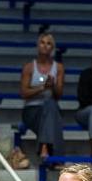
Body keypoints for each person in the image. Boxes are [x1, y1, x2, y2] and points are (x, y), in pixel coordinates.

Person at [20, 27, 66, 164]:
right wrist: (42, 88)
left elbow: (59, 95)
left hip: (50, 108)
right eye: (42, 42)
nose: (45, 46)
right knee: (51, 111)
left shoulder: (58, 68)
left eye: (49, 43)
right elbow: (24, 93)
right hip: (32, 110)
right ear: (38, 45)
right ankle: (57, 157)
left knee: (51, 104)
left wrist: (53, 86)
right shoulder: (29, 67)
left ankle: (45, 147)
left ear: (52, 48)